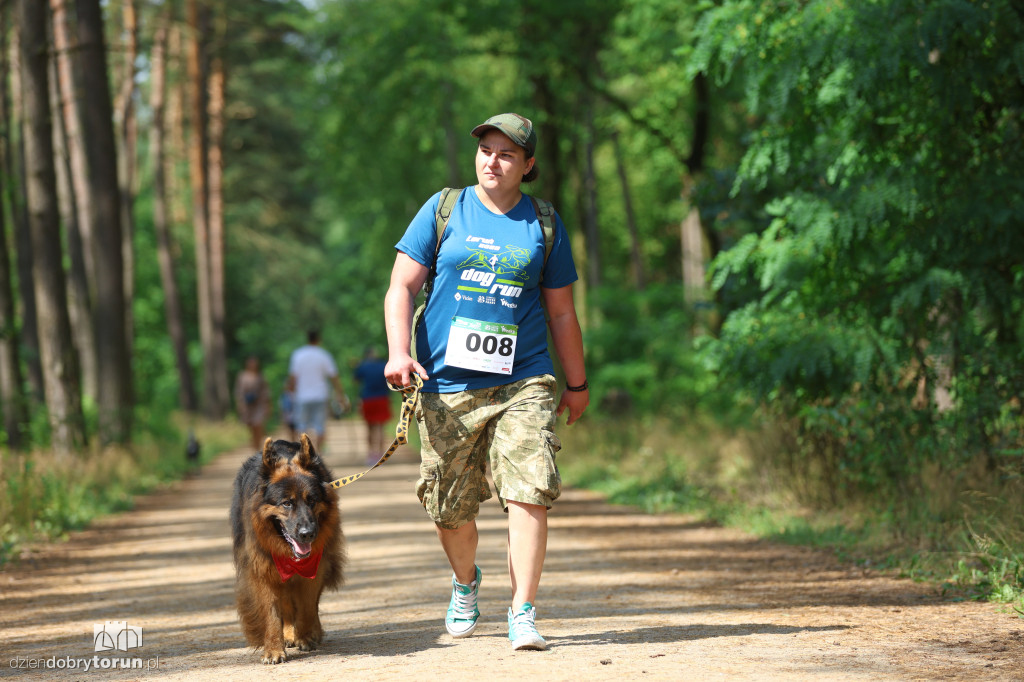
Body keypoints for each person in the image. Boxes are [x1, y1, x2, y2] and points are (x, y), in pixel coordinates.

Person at [384, 112, 589, 652]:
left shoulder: (542, 224)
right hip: (446, 382)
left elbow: (562, 313)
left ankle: (523, 610)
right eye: (486, 150)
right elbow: (401, 287)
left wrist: (577, 382)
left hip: (524, 378)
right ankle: (465, 582)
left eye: (506, 154)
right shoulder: (445, 208)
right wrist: (398, 353)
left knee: (530, 490)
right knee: (449, 506)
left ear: (528, 165)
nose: (492, 161)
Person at [287, 329, 350, 452]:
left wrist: (290, 393)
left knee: (302, 427)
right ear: (318, 339)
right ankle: (317, 454)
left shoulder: (298, 355)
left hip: (302, 396)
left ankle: (304, 454)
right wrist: (340, 394)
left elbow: (293, 378)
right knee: (320, 426)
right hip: (320, 395)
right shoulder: (323, 355)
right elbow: (334, 377)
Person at [353, 345, 393, 466]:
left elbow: (356, 380)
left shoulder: (363, 366)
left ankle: (371, 455)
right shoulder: (383, 365)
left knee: (369, 427)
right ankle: (381, 455)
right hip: (382, 398)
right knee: (380, 427)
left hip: (367, 398)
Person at [234, 355, 271, 451]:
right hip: (248, 406)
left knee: (258, 424)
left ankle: (258, 447)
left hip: (259, 405)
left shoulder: (260, 376)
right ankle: (254, 444)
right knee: (251, 427)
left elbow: (265, 392)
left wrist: (267, 405)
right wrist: (240, 404)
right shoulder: (242, 376)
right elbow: (239, 391)